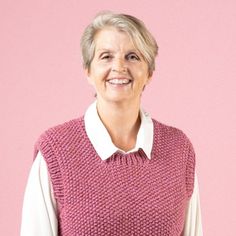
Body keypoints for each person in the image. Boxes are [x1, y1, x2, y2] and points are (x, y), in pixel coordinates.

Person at [21, 12, 203, 236]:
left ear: (149, 73)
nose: (119, 67)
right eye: (106, 56)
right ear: (88, 71)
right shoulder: (56, 151)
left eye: (133, 57)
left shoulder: (179, 149)